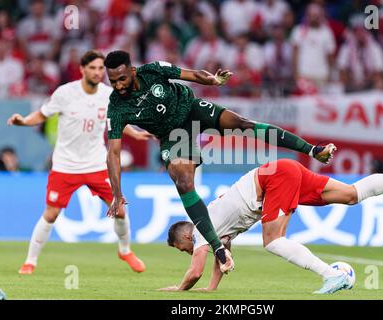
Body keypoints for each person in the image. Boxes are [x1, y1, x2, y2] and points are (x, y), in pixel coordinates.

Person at [103, 50, 336, 273]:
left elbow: (192, 74)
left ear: (132, 71)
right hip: (172, 137)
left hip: (191, 110)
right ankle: (219, 249)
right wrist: (116, 193)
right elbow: (113, 153)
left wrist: (213, 80)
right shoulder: (116, 107)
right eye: (113, 81)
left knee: (243, 124)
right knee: (183, 182)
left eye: (122, 78)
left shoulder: (153, 70)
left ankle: (312, 150)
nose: (119, 85)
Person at [161, 158, 383, 294]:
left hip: (271, 180)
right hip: (280, 171)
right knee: (351, 195)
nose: (186, 251)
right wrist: (212, 288)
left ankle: (330, 274)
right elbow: (222, 253)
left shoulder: (199, 228)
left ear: (186, 235)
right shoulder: (214, 229)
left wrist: (179, 289)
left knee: (272, 240)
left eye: (181, 247)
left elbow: (194, 270)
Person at [7, 50, 150, 275]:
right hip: (65, 165)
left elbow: (118, 120)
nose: (97, 72)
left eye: (101, 68)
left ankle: (125, 251)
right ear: (82, 69)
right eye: (92, 68)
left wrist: (136, 133)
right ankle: (30, 261)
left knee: (120, 209)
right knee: (51, 214)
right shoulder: (65, 93)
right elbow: (42, 115)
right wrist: (23, 121)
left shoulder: (108, 94)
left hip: (96, 164)